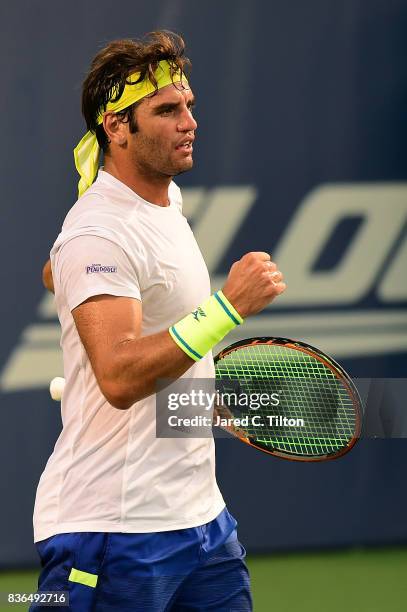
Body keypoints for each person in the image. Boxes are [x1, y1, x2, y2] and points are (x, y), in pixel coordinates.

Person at [32, 30, 286, 611]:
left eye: (189, 106)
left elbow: (60, 268)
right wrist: (228, 307)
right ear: (117, 128)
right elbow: (119, 378)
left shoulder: (160, 200)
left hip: (203, 524)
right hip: (112, 532)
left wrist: (203, 400)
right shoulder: (99, 230)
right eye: (166, 111)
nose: (188, 121)